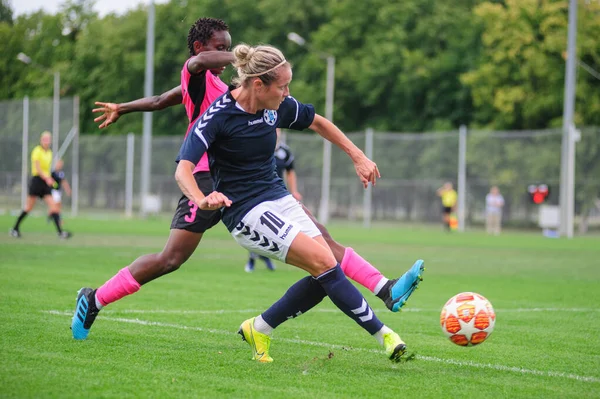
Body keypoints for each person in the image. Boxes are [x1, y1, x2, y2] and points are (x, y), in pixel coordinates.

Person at [87, 17, 423, 325]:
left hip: (249, 183)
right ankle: (95, 298)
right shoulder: (198, 77)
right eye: (222, 47)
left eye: (230, 46)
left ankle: (385, 289)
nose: (227, 53)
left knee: (322, 240)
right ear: (201, 48)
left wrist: (123, 107)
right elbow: (197, 65)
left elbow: (161, 99)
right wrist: (245, 58)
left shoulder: (234, 88)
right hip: (204, 180)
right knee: (170, 259)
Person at [175, 43, 420, 363]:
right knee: (325, 264)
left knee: (326, 266)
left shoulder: (276, 106)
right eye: (283, 86)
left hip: (278, 197)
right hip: (245, 212)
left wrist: (358, 156)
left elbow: (318, 121)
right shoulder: (217, 117)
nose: (287, 93)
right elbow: (183, 169)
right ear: (258, 85)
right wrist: (201, 199)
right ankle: (386, 336)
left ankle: (259, 327)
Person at [245, 128, 299, 272]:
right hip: (259, 195)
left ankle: (264, 256)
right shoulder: (259, 147)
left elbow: (290, 172)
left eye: (278, 130)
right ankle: (253, 258)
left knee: (275, 231)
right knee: (259, 228)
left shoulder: (284, 152)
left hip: (278, 196)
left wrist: (294, 191)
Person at [10, 131, 71, 239]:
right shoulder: (37, 151)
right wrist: (47, 178)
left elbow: (47, 170)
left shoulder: (50, 153)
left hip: (45, 183)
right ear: (41, 140)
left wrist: (50, 179)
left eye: (48, 139)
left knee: (54, 207)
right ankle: (15, 228)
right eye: (45, 139)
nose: (47, 141)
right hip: (37, 181)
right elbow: (38, 169)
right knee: (28, 208)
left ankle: (60, 232)